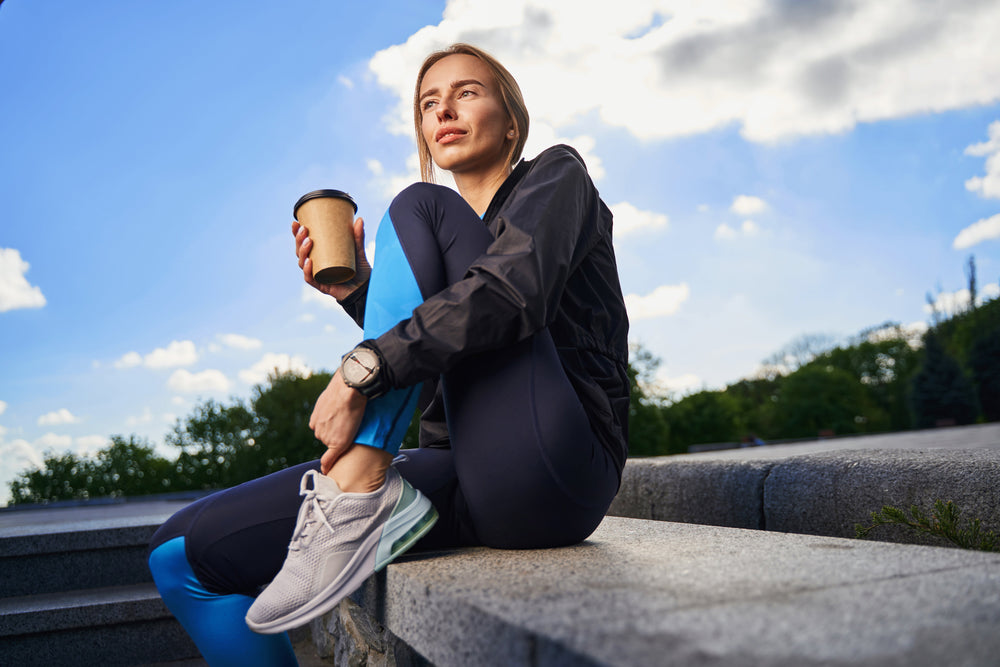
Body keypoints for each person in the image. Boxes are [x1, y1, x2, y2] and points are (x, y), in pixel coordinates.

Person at [147, 43, 630, 666]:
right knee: (180, 555)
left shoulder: (556, 175)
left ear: (512, 121)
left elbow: (513, 296)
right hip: (465, 473)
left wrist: (363, 369)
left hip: (557, 471)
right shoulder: (436, 256)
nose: (445, 111)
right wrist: (359, 293)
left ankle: (359, 487)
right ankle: (362, 493)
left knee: (417, 203)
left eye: (467, 93)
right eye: (430, 103)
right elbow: (437, 388)